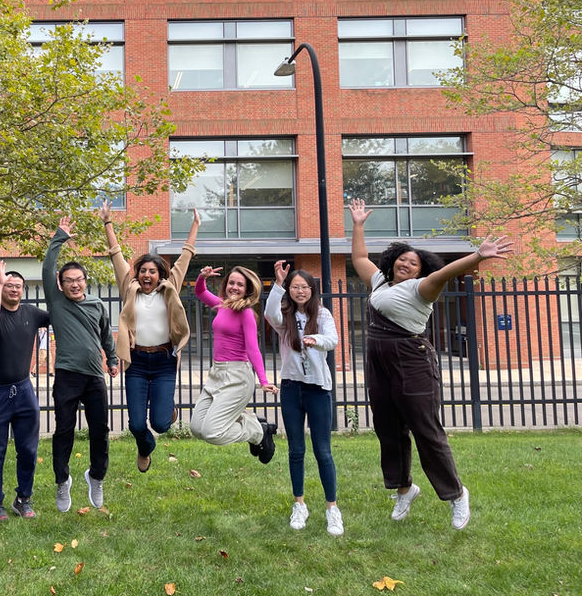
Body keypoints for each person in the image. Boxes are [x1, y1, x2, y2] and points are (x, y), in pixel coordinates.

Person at [348, 198, 513, 530]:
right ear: (393, 260)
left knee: (425, 429)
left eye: (414, 263)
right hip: (379, 361)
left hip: (412, 361)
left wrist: (478, 256)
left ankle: (456, 494)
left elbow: (444, 273)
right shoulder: (380, 282)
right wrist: (358, 225)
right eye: (403, 259)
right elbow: (359, 258)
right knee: (387, 428)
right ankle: (404, 489)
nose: (406, 264)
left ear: (419, 270)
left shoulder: (421, 289)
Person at [100, 201, 200, 473]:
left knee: (161, 424)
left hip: (164, 361)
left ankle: (170, 411)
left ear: (160, 275)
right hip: (136, 363)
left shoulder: (170, 288)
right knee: (135, 424)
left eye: (152, 271)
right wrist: (107, 222)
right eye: (143, 270)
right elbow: (116, 255)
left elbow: (185, 257)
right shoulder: (129, 289)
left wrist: (195, 226)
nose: (146, 275)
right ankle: (145, 448)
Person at [43, 216, 118, 512]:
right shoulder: (57, 302)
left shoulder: (97, 305)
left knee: (100, 429)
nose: (74, 284)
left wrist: (112, 360)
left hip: (94, 377)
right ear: (60, 285)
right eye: (68, 281)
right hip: (67, 376)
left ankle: (96, 476)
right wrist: (59, 237)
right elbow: (47, 267)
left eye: (79, 279)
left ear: (85, 281)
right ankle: (62, 481)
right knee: (64, 430)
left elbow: (106, 335)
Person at [264, 261, 343, 536]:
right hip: (291, 388)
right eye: (295, 287)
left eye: (305, 287)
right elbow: (269, 313)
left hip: (317, 389)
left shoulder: (322, 314)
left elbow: (332, 340)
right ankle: (299, 504)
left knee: (323, 451)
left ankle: (332, 508)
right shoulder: (284, 318)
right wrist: (278, 283)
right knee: (296, 450)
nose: (300, 291)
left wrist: (315, 340)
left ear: (312, 290)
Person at [0, 262, 50, 521]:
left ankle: (23, 499)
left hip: (23, 391)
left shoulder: (31, 313)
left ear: (23, 289)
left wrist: (60, 286)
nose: (13, 289)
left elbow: (59, 314)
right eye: (9, 286)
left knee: (28, 450)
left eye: (17, 286)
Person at [191, 265, 279, 462]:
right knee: (197, 428)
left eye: (240, 285)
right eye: (231, 283)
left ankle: (258, 431)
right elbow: (200, 292)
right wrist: (202, 277)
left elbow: (253, 349)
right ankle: (250, 422)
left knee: (212, 432)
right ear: (226, 285)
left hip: (237, 376)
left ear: (247, 289)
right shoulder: (222, 305)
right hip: (217, 373)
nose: (234, 287)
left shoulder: (246, 313)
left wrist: (263, 381)